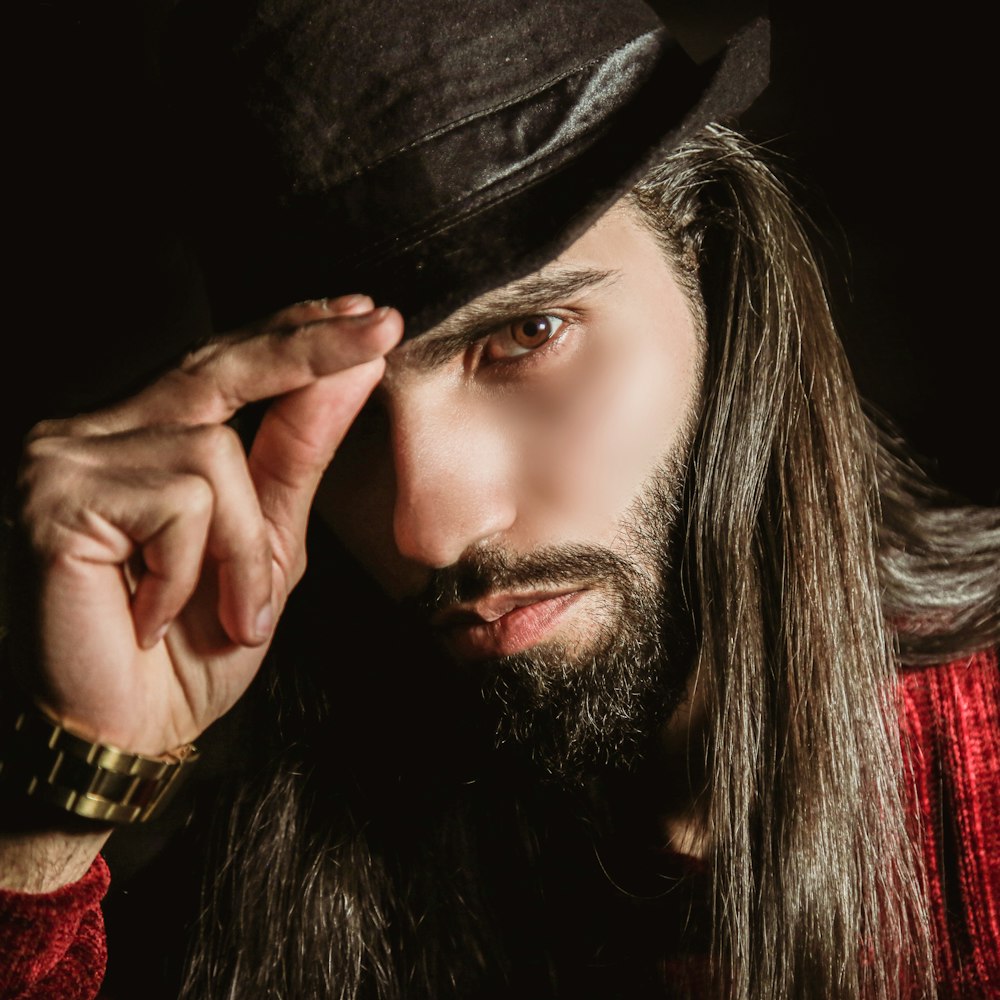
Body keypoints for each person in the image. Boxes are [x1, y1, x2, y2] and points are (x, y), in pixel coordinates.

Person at [1, 3, 998, 999]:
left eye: (526, 335)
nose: (426, 528)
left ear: (714, 266)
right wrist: (58, 810)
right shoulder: (280, 865)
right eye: (334, 417)